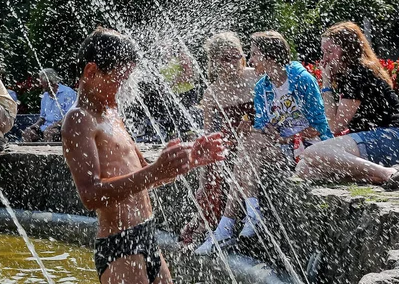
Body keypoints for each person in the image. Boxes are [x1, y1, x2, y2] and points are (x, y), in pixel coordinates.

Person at [62, 27, 226, 284]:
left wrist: (185, 162)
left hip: (147, 236)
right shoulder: (79, 119)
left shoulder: (112, 115)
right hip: (121, 246)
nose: (123, 88)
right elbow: (90, 195)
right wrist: (154, 172)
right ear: (91, 72)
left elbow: (147, 176)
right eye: (119, 79)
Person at [195, 31, 333, 254]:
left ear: (269, 57)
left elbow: (321, 125)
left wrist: (276, 134)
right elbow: (254, 125)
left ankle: (230, 224)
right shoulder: (261, 87)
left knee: (247, 151)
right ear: (215, 61)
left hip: (309, 147)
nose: (246, 60)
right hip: (265, 148)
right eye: (227, 58)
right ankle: (245, 216)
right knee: (247, 150)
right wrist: (261, 128)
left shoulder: (298, 79)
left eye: (247, 55)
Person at [296, 22, 399, 189]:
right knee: (305, 169)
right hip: (375, 145)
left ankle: (387, 174)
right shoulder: (349, 74)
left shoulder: (357, 72)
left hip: (392, 138)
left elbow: (336, 126)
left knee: (311, 153)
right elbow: (331, 125)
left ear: (348, 50)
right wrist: (327, 81)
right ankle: (377, 176)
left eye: (330, 52)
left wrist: (327, 85)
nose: (324, 59)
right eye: (323, 52)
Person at [179, 32, 259, 245]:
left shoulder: (255, 77)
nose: (234, 63)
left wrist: (254, 123)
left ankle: (224, 227)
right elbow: (209, 134)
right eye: (227, 58)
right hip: (231, 143)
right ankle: (210, 226)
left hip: (257, 139)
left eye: (237, 56)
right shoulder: (211, 93)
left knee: (230, 164)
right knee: (211, 172)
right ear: (215, 61)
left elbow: (272, 111)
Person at [22, 68, 76, 142]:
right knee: (28, 133)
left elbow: (69, 117)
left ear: (49, 82)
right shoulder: (45, 96)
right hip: (46, 128)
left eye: (41, 82)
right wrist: (34, 126)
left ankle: (49, 153)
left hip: (64, 127)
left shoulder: (68, 93)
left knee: (49, 133)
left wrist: (53, 126)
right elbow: (42, 118)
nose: (40, 84)